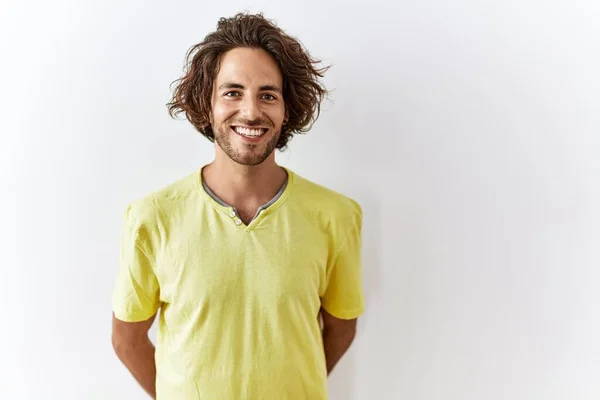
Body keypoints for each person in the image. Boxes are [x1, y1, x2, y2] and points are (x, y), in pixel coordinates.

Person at [111, 12, 364, 400]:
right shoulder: (152, 218)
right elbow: (127, 338)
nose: (250, 111)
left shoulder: (336, 216)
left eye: (268, 94)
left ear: (287, 108)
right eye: (232, 92)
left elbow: (342, 326)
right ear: (206, 103)